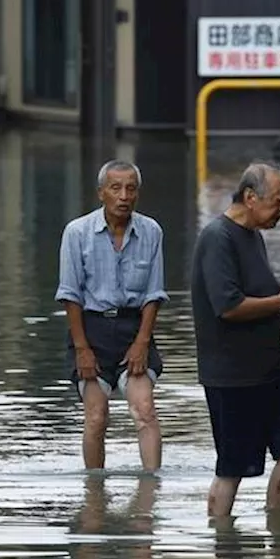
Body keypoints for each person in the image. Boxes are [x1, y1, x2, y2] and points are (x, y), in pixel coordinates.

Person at [191, 160, 280, 518]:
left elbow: (258, 292)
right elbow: (228, 306)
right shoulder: (218, 237)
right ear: (250, 197)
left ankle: (277, 523)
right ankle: (223, 544)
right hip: (232, 374)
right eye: (278, 200)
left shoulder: (254, 236)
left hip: (271, 366)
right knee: (232, 468)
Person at [55, 159, 167, 472]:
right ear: (101, 193)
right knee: (96, 415)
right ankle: (94, 497)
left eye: (131, 189)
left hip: (134, 328)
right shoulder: (77, 233)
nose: (124, 196)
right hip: (90, 329)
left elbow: (154, 294)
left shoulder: (151, 232)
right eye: (115, 188)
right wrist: (82, 349)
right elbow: (70, 295)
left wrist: (142, 342)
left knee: (144, 410)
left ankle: (150, 493)